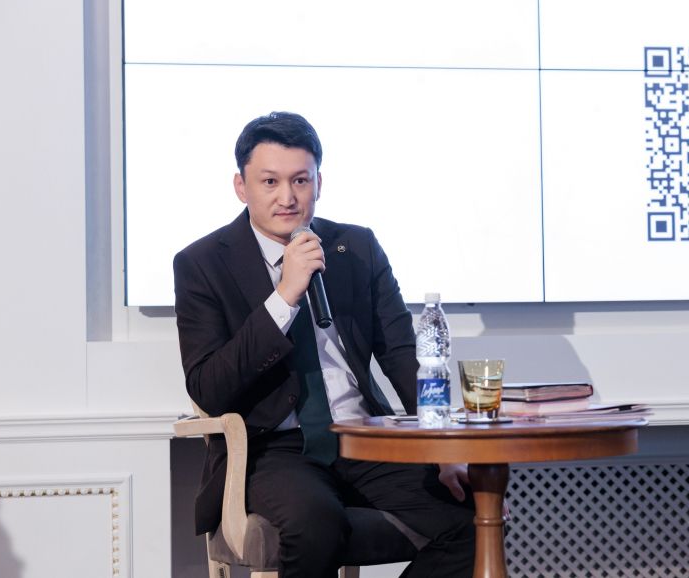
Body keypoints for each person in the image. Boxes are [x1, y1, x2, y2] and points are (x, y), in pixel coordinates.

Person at [173, 112, 476, 577]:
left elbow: (401, 354)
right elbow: (210, 388)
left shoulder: (356, 247)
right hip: (275, 448)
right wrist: (284, 297)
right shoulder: (202, 263)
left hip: (363, 437)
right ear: (241, 186)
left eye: (301, 180)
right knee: (315, 523)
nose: (288, 197)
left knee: (473, 514)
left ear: (319, 182)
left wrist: (443, 444)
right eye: (270, 182)